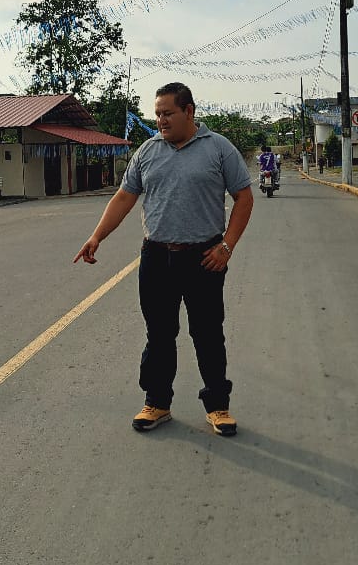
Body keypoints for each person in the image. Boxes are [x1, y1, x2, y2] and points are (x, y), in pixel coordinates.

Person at [74, 82, 253, 437]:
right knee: (158, 334)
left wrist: (227, 247)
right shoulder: (147, 151)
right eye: (157, 114)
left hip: (204, 257)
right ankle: (157, 403)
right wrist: (97, 236)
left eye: (168, 113)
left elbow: (244, 198)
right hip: (156, 257)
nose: (161, 121)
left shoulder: (219, 148)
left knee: (207, 334)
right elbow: (124, 198)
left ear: (189, 111)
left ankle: (217, 406)